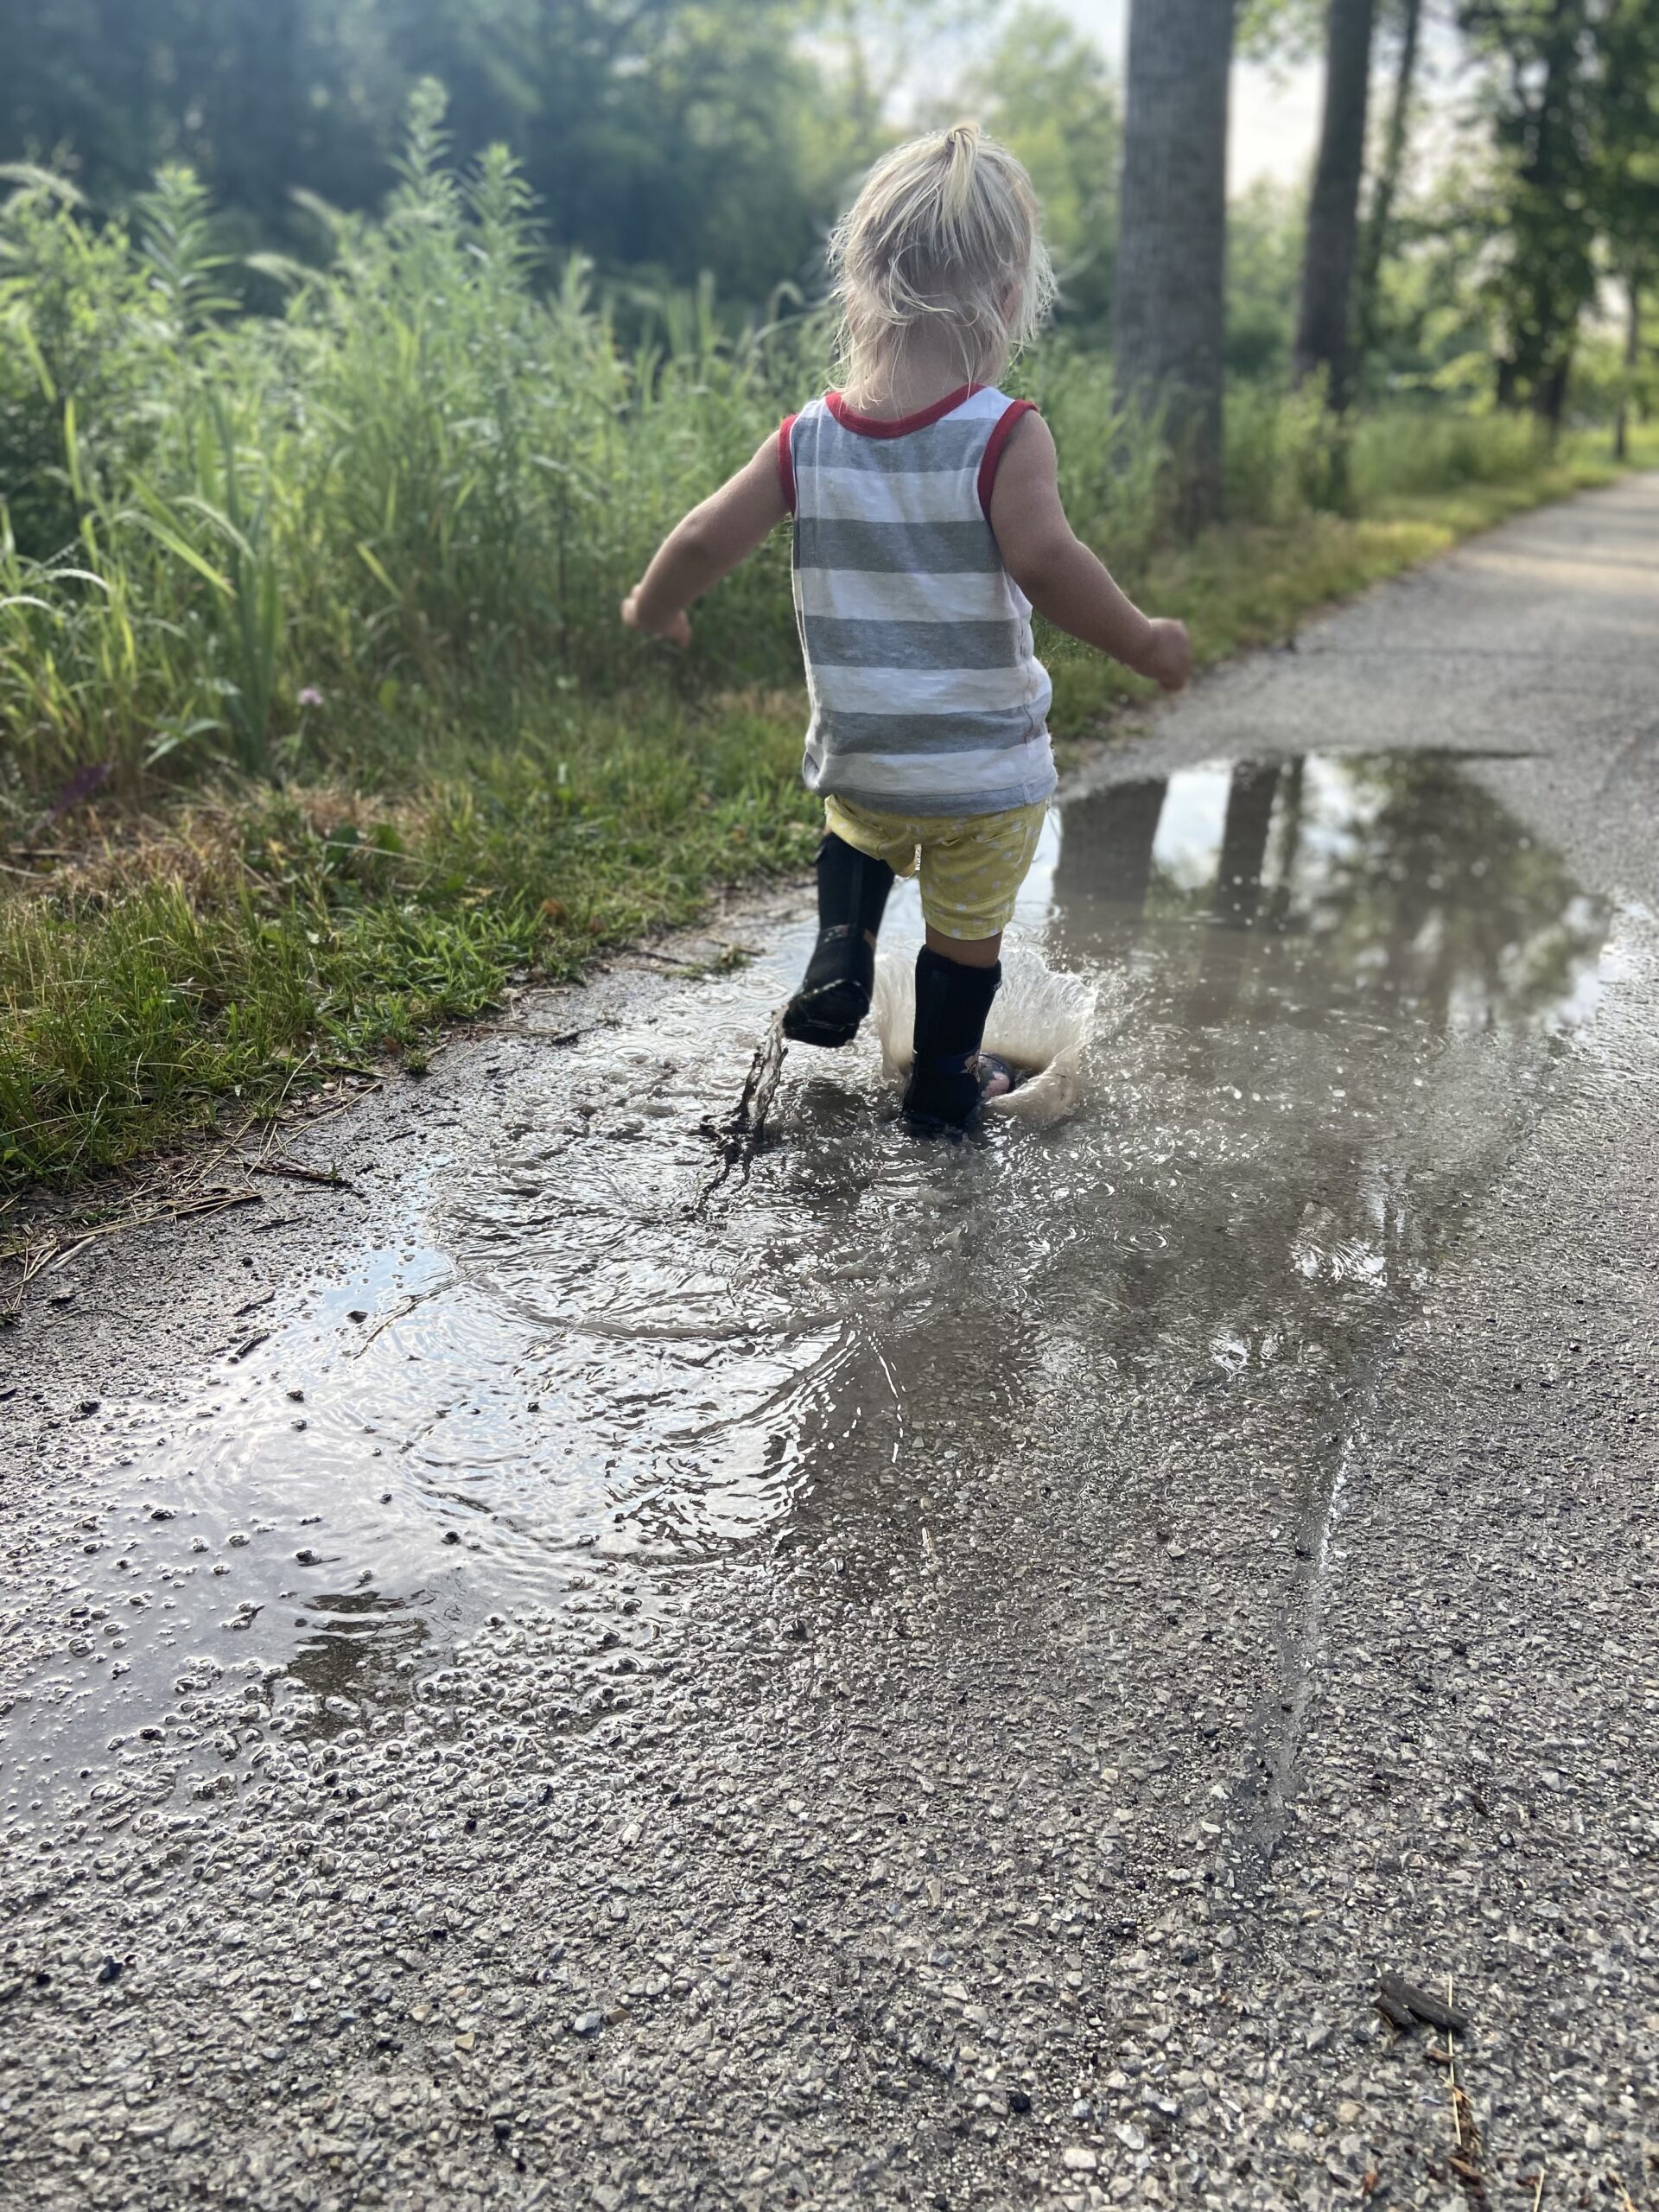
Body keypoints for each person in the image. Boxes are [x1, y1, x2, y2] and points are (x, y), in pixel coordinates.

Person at [622, 121, 1191, 1133]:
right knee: (967, 934)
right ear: (1010, 298)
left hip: (868, 762)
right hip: (983, 777)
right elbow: (1051, 565)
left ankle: (840, 953)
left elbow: (710, 535)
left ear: (858, 282)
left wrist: (656, 602)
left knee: (854, 833)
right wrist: (1143, 640)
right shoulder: (1005, 434)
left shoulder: (808, 437)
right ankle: (941, 1083)